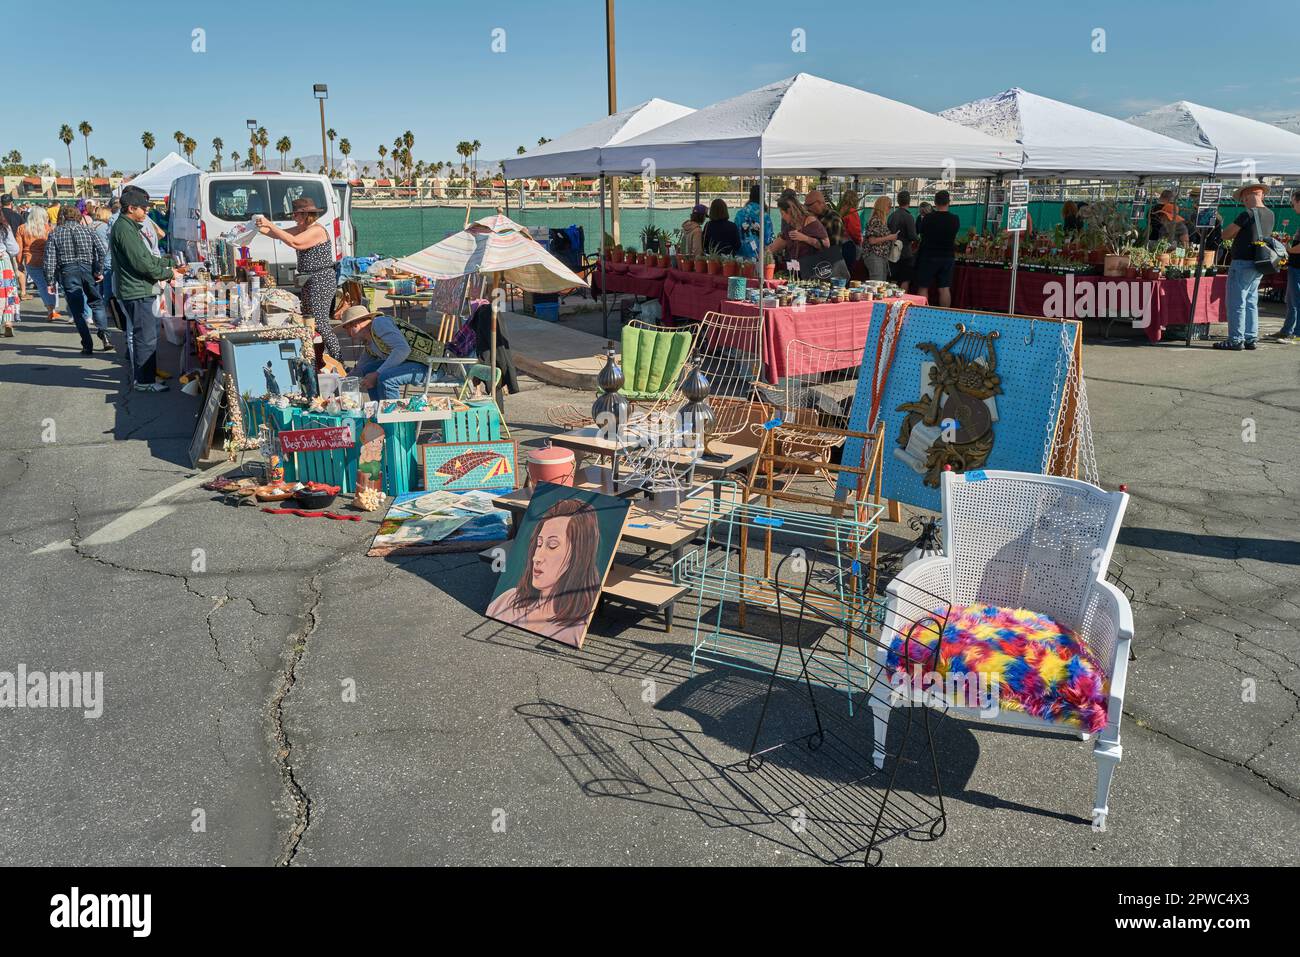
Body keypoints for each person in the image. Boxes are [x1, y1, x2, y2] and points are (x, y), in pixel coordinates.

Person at [485, 499, 602, 647]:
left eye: (552, 545)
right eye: (539, 544)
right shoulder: (507, 601)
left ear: (579, 553)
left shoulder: (574, 629)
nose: (536, 557)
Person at [111, 185, 185, 391]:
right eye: (143, 208)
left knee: (147, 335)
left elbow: (145, 258)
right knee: (145, 337)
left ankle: (147, 376)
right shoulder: (124, 229)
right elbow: (141, 262)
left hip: (140, 287)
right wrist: (169, 272)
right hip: (137, 289)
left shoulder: (128, 226)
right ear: (131, 208)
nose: (146, 212)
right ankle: (144, 381)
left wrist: (168, 266)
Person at [255, 197, 341, 359]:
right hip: (311, 279)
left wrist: (269, 223)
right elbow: (277, 235)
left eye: (295, 214)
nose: (293, 217)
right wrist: (257, 227)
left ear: (304, 215)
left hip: (321, 279)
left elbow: (295, 243)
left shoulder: (316, 230)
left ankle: (338, 358)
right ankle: (317, 357)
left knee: (320, 323)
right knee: (308, 321)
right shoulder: (304, 228)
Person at [335, 304, 443, 401]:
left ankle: (391, 419)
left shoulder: (379, 323)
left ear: (355, 324)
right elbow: (360, 367)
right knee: (368, 370)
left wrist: (377, 374)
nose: (348, 334)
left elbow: (402, 350)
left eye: (347, 329)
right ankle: (377, 413)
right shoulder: (369, 339)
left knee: (386, 378)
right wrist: (343, 382)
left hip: (432, 366)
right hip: (414, 363)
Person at [43, 198, 108, 355]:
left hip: (68, 271)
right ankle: (104, 334)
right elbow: (102, 250)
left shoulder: (55, 233)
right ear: (78, 216)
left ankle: (87, 344)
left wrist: (50, 281)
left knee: (77, 311)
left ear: (62, 217)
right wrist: (98, 270)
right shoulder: (88, 230)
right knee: (97, 302)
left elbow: (50, 260)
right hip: (87, 269)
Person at [1216, 181, 1274, 351]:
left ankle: (1235, 339)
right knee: (1250, 300)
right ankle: (1250, 337)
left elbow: (1226, 234)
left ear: (1248, 196)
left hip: (1242, 262)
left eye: (1243, 199)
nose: (1243, 202)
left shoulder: (1246, 214)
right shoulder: (1270, 214)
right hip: (1259, 262)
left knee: (1236, 301)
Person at [914, 189, 960, 307]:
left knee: (923, 287)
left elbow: (921, 232)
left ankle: (922, 314)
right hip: (948, 256)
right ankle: (945, 315)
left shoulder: (928, 218)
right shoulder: (955, 219)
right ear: (948, 202)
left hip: (929, 256)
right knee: (944, 288)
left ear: (935, 202)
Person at [1268, 189, 1300, 343]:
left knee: (1297, 300)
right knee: (1292, 300)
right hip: (1295, 266)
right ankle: (1288, 330)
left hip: (1298, 267)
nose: (1292, 207)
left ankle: (1297, 332)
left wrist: (1288, 248)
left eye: (1293, 203)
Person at [765, 195, 830, 268]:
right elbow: (774, 247)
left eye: (782, 213)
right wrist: (762, 254)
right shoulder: (790, 227)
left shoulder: (811, 221)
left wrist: (805, 238)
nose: (782, 217)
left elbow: (826, 244)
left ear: (789, 211)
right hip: (796, 272)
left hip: (813, 271)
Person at [17, 206, 58, 321]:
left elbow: (19, 249)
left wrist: (19, 263)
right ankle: (52, 309)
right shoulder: (48, 228)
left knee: (41, 286)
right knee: (50, 284)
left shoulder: (22, 228)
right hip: (48, 260)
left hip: (31, 261)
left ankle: (50, 309)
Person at [861, 196, 899, 281]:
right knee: (877, 283)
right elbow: (872, 240)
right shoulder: (876, 220)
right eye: (889, 206)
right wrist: (890, 237)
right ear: (883, 206)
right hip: (875, 255)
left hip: (880, 256)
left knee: (880, 284)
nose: (890, 208)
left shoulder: (880, 220)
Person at [733, 184, 773, 260]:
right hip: (759, 256)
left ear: (750, 196)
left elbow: (735, 234)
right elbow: (768, 239)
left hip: (741, 257)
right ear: (763, 197)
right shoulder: (765, 216)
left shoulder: (740, 213)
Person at [887, 190, 918, 286]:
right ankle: (903, 300)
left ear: (898, 201)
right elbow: (912, 236)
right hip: (905, 253)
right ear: (909, 201)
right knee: (905, 279)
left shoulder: (892, 216)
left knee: (893, 279)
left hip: (892, 252)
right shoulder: (908, 217)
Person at [804, 189, 844, 259]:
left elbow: (834, 249)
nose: (806, 208)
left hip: (826, 262)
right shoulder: (815, 217)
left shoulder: (833, 218)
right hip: (814, 260)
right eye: (805, 205)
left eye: (809, 205)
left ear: (819, 203)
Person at [0, 215, 19, 337]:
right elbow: (14, 249)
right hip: (3, 263)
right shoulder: (4, 228)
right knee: (8, 292)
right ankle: (8, 322)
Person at [839, 190, 863, 269]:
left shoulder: (841, 210)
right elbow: (855, 231)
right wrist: (860, 241)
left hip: (839, 245)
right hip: (849, 245)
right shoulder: (852, 212)